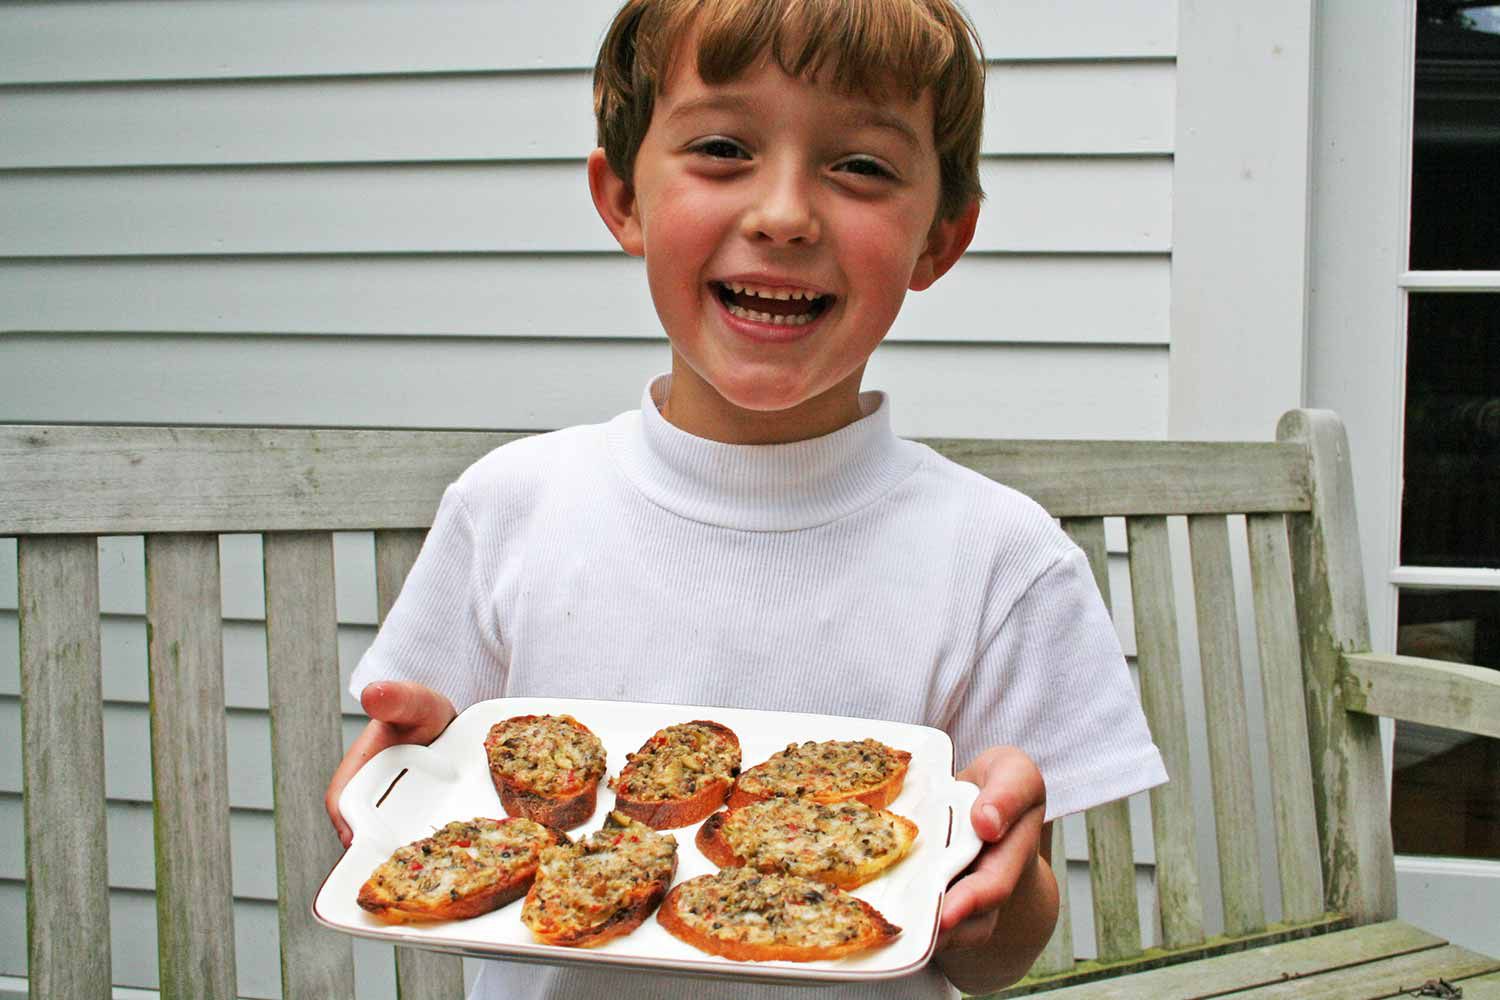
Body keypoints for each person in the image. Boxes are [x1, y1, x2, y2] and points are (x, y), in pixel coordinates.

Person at [325, 1, 1167, 996]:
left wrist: (1001, 871)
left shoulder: (1001, 561)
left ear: (942, 238)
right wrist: (393, 787)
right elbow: (415, 815)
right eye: (722, 147)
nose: (783, 214)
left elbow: (1005, 950)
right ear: (622, 199)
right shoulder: (507, 508)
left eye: (860, 166)